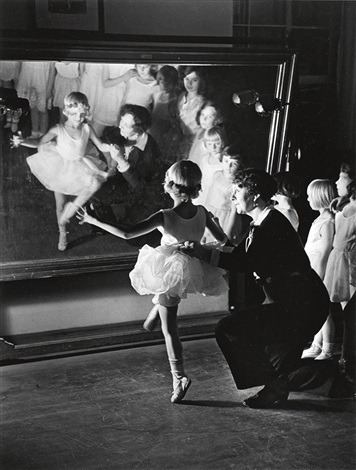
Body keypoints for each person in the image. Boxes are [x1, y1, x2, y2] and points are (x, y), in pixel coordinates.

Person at [77, 161, 230, 403]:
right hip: (189, 266)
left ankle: (178, 377)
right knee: (161, 307)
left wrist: (94, 221)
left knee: (170, 330)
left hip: (173, 270)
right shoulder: (202, 212)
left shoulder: (165, 216)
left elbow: (128, 233)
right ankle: (152, 318)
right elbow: (223, 240)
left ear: (170, 186)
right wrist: (209, 237)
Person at [180, 168, 329, 408]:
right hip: (293, 302)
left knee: (228, 329)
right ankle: (282, 385)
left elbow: (246, 262)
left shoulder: (272, 223)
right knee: (280, 362)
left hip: (301, 305)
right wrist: (203, 251)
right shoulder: (261, 223)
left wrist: (204, 253)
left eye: (238, 191)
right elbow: (241, 253)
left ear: (256, 195)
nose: (233, 197)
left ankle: (284, 383)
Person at [26, 92, 112, 251]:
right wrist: (23, 141)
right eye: (75, 114)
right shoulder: (58, 129)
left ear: (86, 111)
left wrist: (111, 148)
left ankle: (75, 210)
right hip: (60, 167)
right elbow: (38, 141)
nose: (79, 118)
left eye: (82, 114)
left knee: (93, 185)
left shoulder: (87, 127)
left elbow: (100, 146)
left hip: (81, 165)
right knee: (60, 204)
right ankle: (62, 232)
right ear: (66, 112)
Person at [92, 104, 168, 227]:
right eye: (121, 120)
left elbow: (138, 185)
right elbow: (108, 146)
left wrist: (121, 160)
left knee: (133, 235)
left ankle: (117, 222)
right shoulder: (120, 133)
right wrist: (112, 165)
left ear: (139, 130)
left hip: (142, 191)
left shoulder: (149, 152)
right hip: (121, 178)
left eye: (126, 125)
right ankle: (105, 225)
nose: (120, 125)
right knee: (93, 188)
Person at [324, 163, 356, 397]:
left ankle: (349, 366)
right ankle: (347, 364)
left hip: (350, 262)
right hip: (340, 258)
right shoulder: (345, 205)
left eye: (341, 178)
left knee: (351, 314)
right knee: (347, 313)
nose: (336, 182)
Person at [301, 179, 337, 360]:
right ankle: (317, 344)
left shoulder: (329, 221)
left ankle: (328, 349)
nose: (307, 199)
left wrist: (319, 275)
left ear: (320, 197)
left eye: (310, 196)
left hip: (320, 271)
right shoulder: (319, 219)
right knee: (318, 310)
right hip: (312, 269)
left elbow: (324, 251)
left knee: (324, 311)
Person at [204, 144, 250, 246]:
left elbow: (234, 211)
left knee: (220, 246)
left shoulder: (237, 183)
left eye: (234, 163)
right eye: (226, 161)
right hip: (211, 213)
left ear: (241, 164)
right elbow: (209, 197)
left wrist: (228, 233)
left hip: (225, 218)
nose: (228, 167)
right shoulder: (217, 174)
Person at [162, 66, 207, 163]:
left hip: (193, 143)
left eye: (194, 80)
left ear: (201, 81)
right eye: (187, 79)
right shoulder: (179, 98)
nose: (189, 83)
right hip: (175, 141)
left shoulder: (203, 103)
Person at [16, 60, 56, 143]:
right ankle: (35, 132)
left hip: (43, 81)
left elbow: (52, 71)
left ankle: (43, 135)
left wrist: (49, 89)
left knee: (42, 109)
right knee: (33, 107)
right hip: (29, 79)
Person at [149, 65, 179, 152]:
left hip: (165, 134)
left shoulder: (176, 99)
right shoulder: (156, 94)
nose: (163, 85)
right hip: (152, 129)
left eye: (167, 82)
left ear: (173, 83)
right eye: (161, 81)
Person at [193, 126, 226, 207]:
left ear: (223, 143)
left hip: (215, 195)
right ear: (206, 144)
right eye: (210, 144)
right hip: (202, 192)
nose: (213, 147)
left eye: (217, 143)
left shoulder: (224, 161)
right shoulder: (204, 158)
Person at [188, 101, 223, 167]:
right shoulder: (200, 131)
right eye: (202, 114)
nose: (204, 119)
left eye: (210, 117)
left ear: (217, 119)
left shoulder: (215, 137)